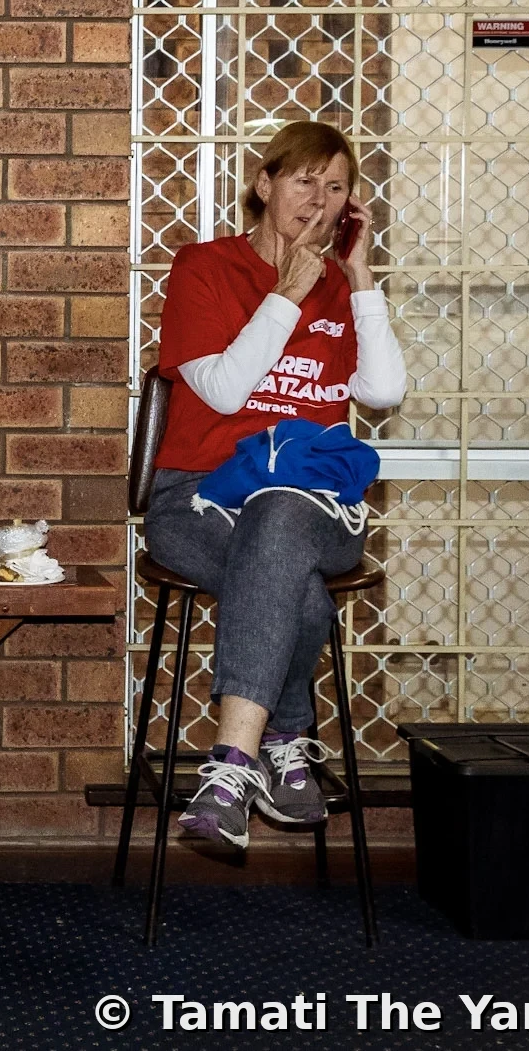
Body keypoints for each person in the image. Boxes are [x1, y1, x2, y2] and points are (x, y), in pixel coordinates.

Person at [144, 120, 406, 852]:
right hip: (197, 499)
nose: (319, 199)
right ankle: (288, 741)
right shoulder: (203, 268)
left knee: (282, 514)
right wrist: (287, 293)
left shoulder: (341, 288)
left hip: (317, 504)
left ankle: (229, 767)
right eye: (304, 180)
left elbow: (383, 391)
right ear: (264, 185)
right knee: (297, 587)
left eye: (336, 187)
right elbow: (227, 391)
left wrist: (359, 279)